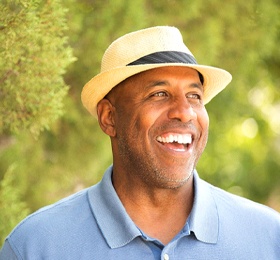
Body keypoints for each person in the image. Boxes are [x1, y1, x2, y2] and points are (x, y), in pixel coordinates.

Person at [0, 26, 279, 260]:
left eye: (195, 96)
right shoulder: (35, 247)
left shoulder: (269, 238)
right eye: (159, 93)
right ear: (109, 117)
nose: (184, 111)